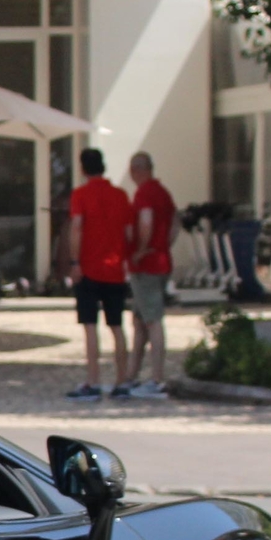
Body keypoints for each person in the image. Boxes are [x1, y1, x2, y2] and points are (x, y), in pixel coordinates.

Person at [66, 147, 135, 400]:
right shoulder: (120, 195)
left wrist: (75, 262)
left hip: (89, 268)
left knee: (90, 326)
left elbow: (77, 229)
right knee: (117, 326)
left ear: (83, 168)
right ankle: (122, 380)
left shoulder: (81, 195)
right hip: (115, 268)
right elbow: (128, 233)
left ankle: (93, 381)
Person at [126, 151, 176, 398]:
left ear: (137, 170)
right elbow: (175, 223)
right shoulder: (163, 192)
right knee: (140, 320)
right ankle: (131, 375)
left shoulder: (145, 193)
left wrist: (142, 250)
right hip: (161, 260)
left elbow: (145, 222)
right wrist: (164, 245)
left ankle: (157, 378)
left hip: (147, 265)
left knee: (152, 320)